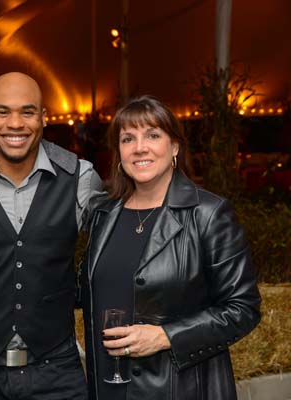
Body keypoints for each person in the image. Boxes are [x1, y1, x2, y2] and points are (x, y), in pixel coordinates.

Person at [0, 72, 103, 400]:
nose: (15, 124)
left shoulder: (80, 177)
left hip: (58, 369)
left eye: (27, 112)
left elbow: (114, 251)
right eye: (2, 112)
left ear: (43, 117)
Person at [79, 96, 261, 400]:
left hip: (179, 387)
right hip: (107, 385)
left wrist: (166, 337)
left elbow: (243, 309)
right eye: (128, 139)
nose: (140, 148)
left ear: (174, 146)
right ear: (119, 151)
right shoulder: (104, 214)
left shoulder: (208, 214)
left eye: (152, 135)